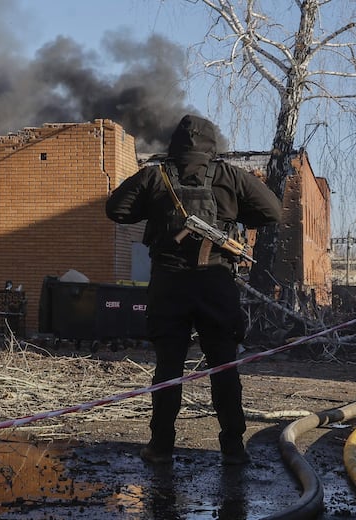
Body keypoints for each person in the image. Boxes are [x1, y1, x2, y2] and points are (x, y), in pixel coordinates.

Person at [105, 114, 282, 465]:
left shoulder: (156, 175)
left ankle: (160, 447)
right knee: (223, 368)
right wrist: (237, 216)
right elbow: (272, 211)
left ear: (175, 144)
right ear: (211, 145)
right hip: (215, 282)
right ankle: (233, 447)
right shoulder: (229, 175)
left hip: (169, 284)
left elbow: (117, 209)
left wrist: (153, 204)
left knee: (168, 369)